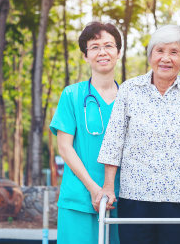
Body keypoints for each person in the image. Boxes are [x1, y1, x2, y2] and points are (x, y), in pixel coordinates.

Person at [96, 24, 180, 244]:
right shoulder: (129, 90)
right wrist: (108, 187)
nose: (166, 58)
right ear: (150, 56)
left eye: (174, 52)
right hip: (135, 196)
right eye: (160, 51)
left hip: (179, 197)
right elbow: (113, 141)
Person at [50, 21, 122, 244]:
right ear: (85, 55)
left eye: (109, 46)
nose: (103, 52)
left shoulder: (130, 97)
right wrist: (93, 189)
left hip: (122, 199)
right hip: (79, 198)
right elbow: (64, 146)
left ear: (119, 52)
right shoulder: (72, 95)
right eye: (95, 47)